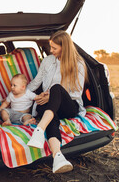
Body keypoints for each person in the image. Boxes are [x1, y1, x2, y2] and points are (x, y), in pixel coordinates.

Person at [26, 30, 88, 174]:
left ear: (64, 47)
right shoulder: (47, 61)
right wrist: (24, 96)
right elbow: (35, 83)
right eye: (51, 47)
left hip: (69, 106)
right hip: (50, 107)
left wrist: (50, 97)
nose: (51, 50)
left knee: (56, 89)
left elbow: (77, 93)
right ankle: (58, 157)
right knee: (50, 117)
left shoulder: (78, 64)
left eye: (54, 48)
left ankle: (39, 130)